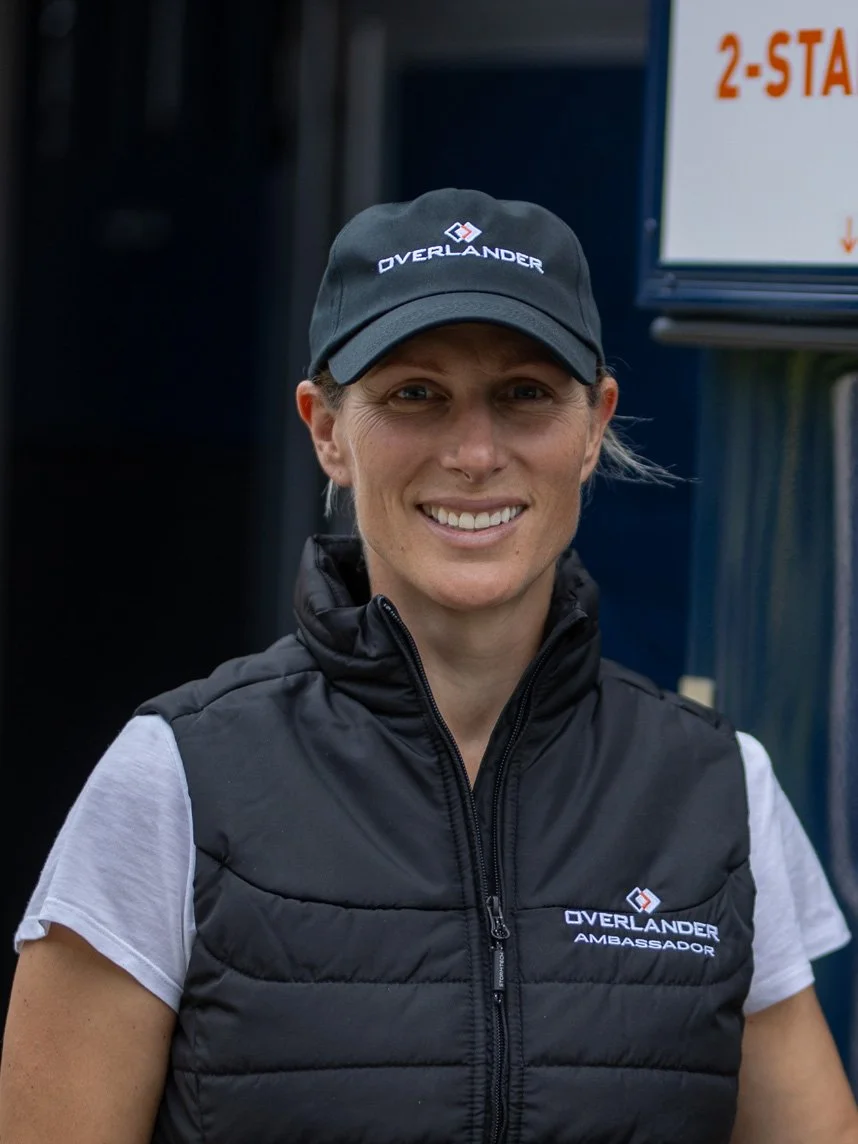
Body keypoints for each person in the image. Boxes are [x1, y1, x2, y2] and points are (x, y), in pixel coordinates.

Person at [1, 187, 857, 1144]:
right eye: (415, 394)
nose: (475, 453)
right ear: (327, 430)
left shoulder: (718, 787)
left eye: (525, 394)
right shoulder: (175, 779)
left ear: (593, 426)